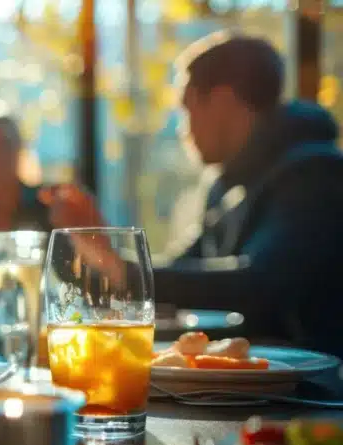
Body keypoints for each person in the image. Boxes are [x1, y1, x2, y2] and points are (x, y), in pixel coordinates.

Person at [41, 33, 343, 356]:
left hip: (315, 394)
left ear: (224, 101)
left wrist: (122, 269)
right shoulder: (228, 185)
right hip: (252, 387)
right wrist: (104, 254)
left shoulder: (315, 176)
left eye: (188, 108)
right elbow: (186, 273)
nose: (184, 130)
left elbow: (260, 286)